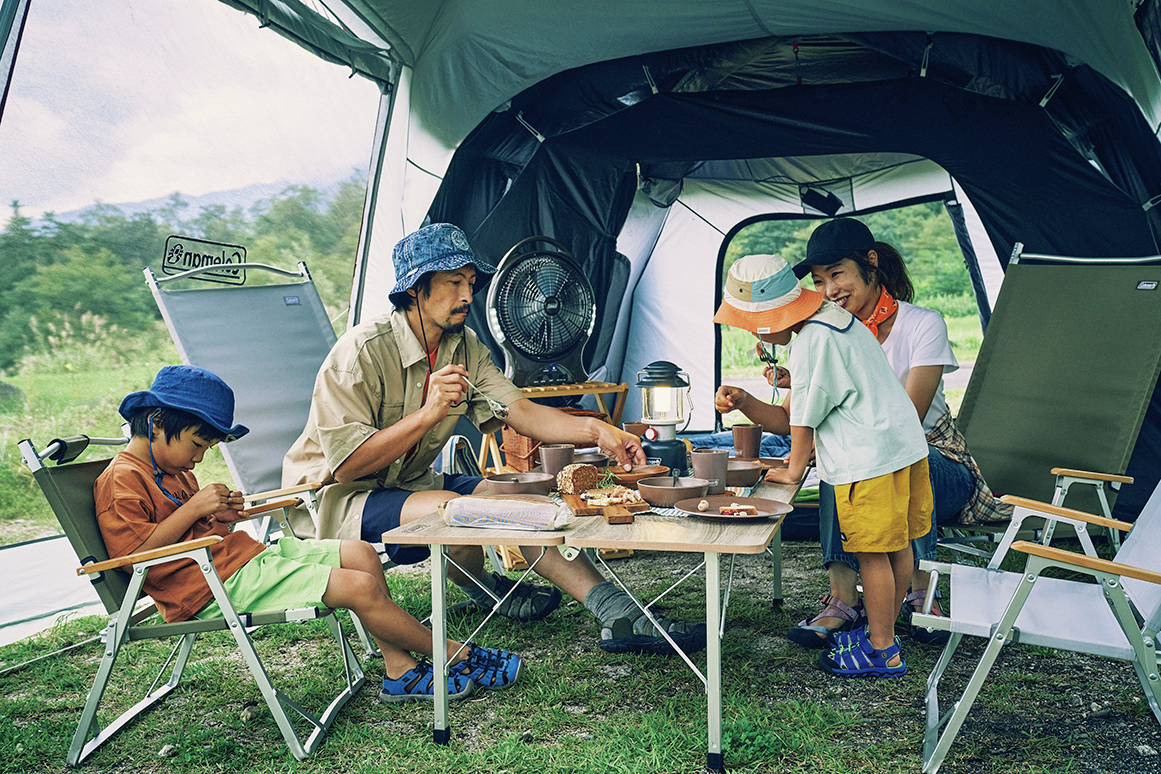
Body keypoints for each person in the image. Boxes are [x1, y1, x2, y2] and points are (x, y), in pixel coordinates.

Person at [282, 223, 706, 656]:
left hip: (409, 483)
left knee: (531, 501)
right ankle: (491, 588)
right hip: (342, 498)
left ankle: (617, 613)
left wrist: (599, 430)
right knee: (489, 510)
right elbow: (347, 466)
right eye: (453, 283)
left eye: (471, 283)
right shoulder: (359, 353)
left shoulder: (463, 344)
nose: (468, 296)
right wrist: (429, 413)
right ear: (414, 290)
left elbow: (518, 410)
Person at [95, 364, 522, 703]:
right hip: (209, 587)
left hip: (238, 562)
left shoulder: (168, 468)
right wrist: (194, 508)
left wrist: (220, 515)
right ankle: (454, 654)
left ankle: (400, 670)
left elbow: (190, 528)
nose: (200, 458)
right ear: (155, 424)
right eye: (197, 444)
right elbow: (134, 556)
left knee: (360, 554)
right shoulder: (121, 480)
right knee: (357, 587)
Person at [714, 253, 932, 677]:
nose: (755, 339)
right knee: (899, 544)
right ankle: (881, 628)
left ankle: (882, 649)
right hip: (903, 449)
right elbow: (789, 413)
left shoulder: (813, 341)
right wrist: (745, 400)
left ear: (769, 318)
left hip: (868, 461)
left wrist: (794, 471)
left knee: (871, 554)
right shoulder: (833, 318)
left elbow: (803, 419)